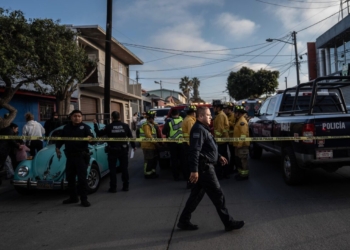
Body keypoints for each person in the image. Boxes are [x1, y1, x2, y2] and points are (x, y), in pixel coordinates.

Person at [177, 107, 245, 232]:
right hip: (205, 169)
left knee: (196, 196)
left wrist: (218, 156)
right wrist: (194, 170)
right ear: (200, 116)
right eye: (208, 115)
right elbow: (195, 151)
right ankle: (228, 222)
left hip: (204, 167)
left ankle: (183, 221)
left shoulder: (203, 129)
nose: (211, 117)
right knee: (218, 195)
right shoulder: (198, 129)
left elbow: (206, 148)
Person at [55, 110, 94, 207]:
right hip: (70, 157)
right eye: (75, 116)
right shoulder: (66, 128)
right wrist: (57, 147)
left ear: (81, 118)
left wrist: (91, 139)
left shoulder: (85, 127)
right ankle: (73, 197)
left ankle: (84, 199)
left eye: (79, 116)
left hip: (81, 157)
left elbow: (92, 141)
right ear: (71, 117)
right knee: (70, 178)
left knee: (82, 179)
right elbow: (61, 139)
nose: (77, 118)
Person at [94, 111, 136, 192]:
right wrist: (133, 146)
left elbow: (99, 133)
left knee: (112, 170)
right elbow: (130, 137)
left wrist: (95, 124)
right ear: (119, 117)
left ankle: (113, 188)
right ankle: (126, 186)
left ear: (112, 118)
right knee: (124, 169)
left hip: (112, 150)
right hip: (123, 150)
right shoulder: (125, 126)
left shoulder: (109, 126)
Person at [162, 109, 184, 181]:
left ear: (171, 115)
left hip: (172, 143)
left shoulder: (169, 122)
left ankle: (176, 176)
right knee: (183, 160)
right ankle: (185, 175)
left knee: (174, 160)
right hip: (182, 143)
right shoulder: (183, 120)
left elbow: (164, 132)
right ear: (179, 114)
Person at [212, 100, 230, 179]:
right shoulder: (219, 115)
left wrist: (216, 139)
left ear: (218, 108)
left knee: (221, 157)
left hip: (221, 140)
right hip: (222, 140)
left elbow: (219, 129)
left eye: (214, 107)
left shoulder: (220, 116)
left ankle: (222, 173)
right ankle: (225, 173)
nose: (213, 108)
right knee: (224, 156)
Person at [140, 110, 159, 179]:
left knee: (153, 160)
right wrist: (156, 143)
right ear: (151, 117)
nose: (154, 118)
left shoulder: (152, 124)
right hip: (147, 145)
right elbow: (149, 136)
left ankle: (152, 172)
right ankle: (147, 174)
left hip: (152, 145)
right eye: (154, 117)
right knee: (148, 160)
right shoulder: (146, 125)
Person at [233, 105, 250, 181]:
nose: (234, 114)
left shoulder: (242, 122)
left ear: (238, 113)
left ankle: (244, 176)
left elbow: (243, 135)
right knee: (239, 161)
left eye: (235, 112)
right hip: (238, 145)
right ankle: (241, 174)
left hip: (242, 146)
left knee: (243, 161)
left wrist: (239, 144)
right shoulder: (239, 120)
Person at [181, 105, 197, 188]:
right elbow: (192, 134)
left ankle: (190, 181)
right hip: (190, 144)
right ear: (193, 113)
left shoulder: (186, 119)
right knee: (191, 164)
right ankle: (191, 182)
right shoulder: (190, 121)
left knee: (188, 163)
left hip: (187, 144)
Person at [223, 102, 236, 174]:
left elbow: (235, 126)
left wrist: (228, 122)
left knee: (233, 155)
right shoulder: (225, 116)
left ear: (229, 109)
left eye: (226, 109)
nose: (224, 110)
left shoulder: (234, 116)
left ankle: (233, 168)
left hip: (233, 139)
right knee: (229, 154)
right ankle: (229, 168)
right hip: (227, 139)